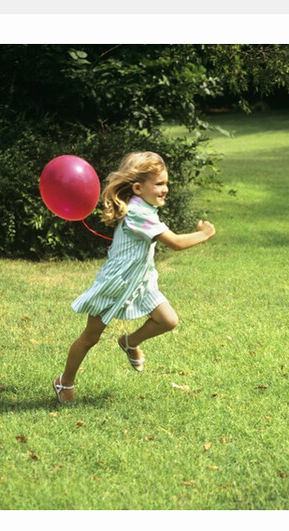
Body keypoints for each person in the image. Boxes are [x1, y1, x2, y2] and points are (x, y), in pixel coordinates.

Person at [53, 151, 216, 403]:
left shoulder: (145, 206)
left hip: (141, 281)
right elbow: (175, 243)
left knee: (168, 320)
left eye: (166, 183)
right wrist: (205, 234)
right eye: (159, 184)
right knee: (90, 338)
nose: (166, 189)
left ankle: (130, 341)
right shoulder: (139, 213)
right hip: (115, 283)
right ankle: (64, 383)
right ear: (138, 188)